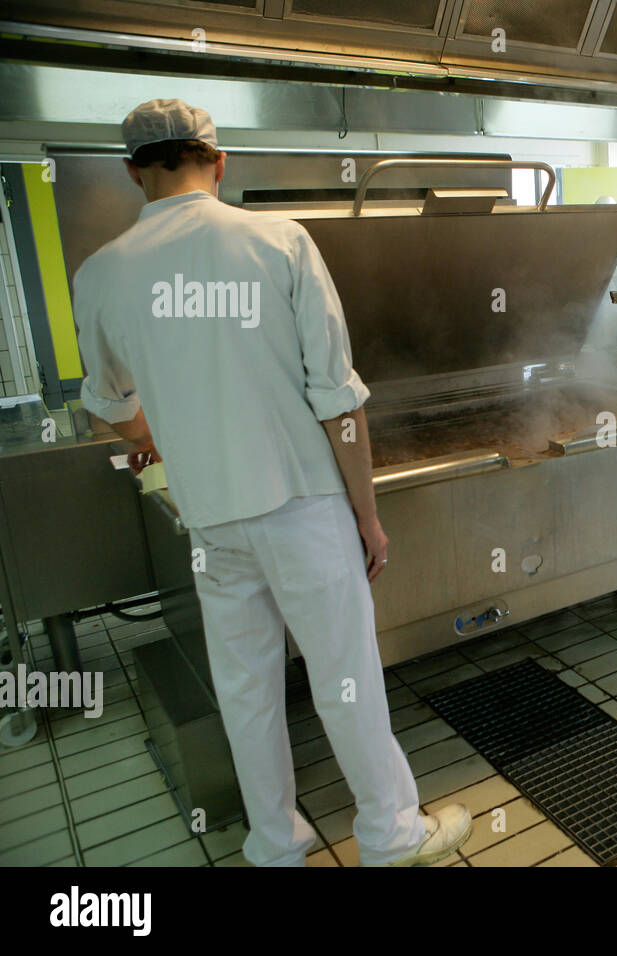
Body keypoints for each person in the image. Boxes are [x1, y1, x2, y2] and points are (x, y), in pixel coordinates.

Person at [74, 99, 471, 867]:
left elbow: (111, 409)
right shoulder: (280, 242)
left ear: (135, 172)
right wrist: (369, 518)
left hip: (211, 519)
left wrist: (160, 434)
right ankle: (389, 835)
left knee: (246, 685)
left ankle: (274, 843)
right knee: (344, 678)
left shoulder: (101, 275)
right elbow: (338, 404)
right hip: (303, 506)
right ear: (219, 162)